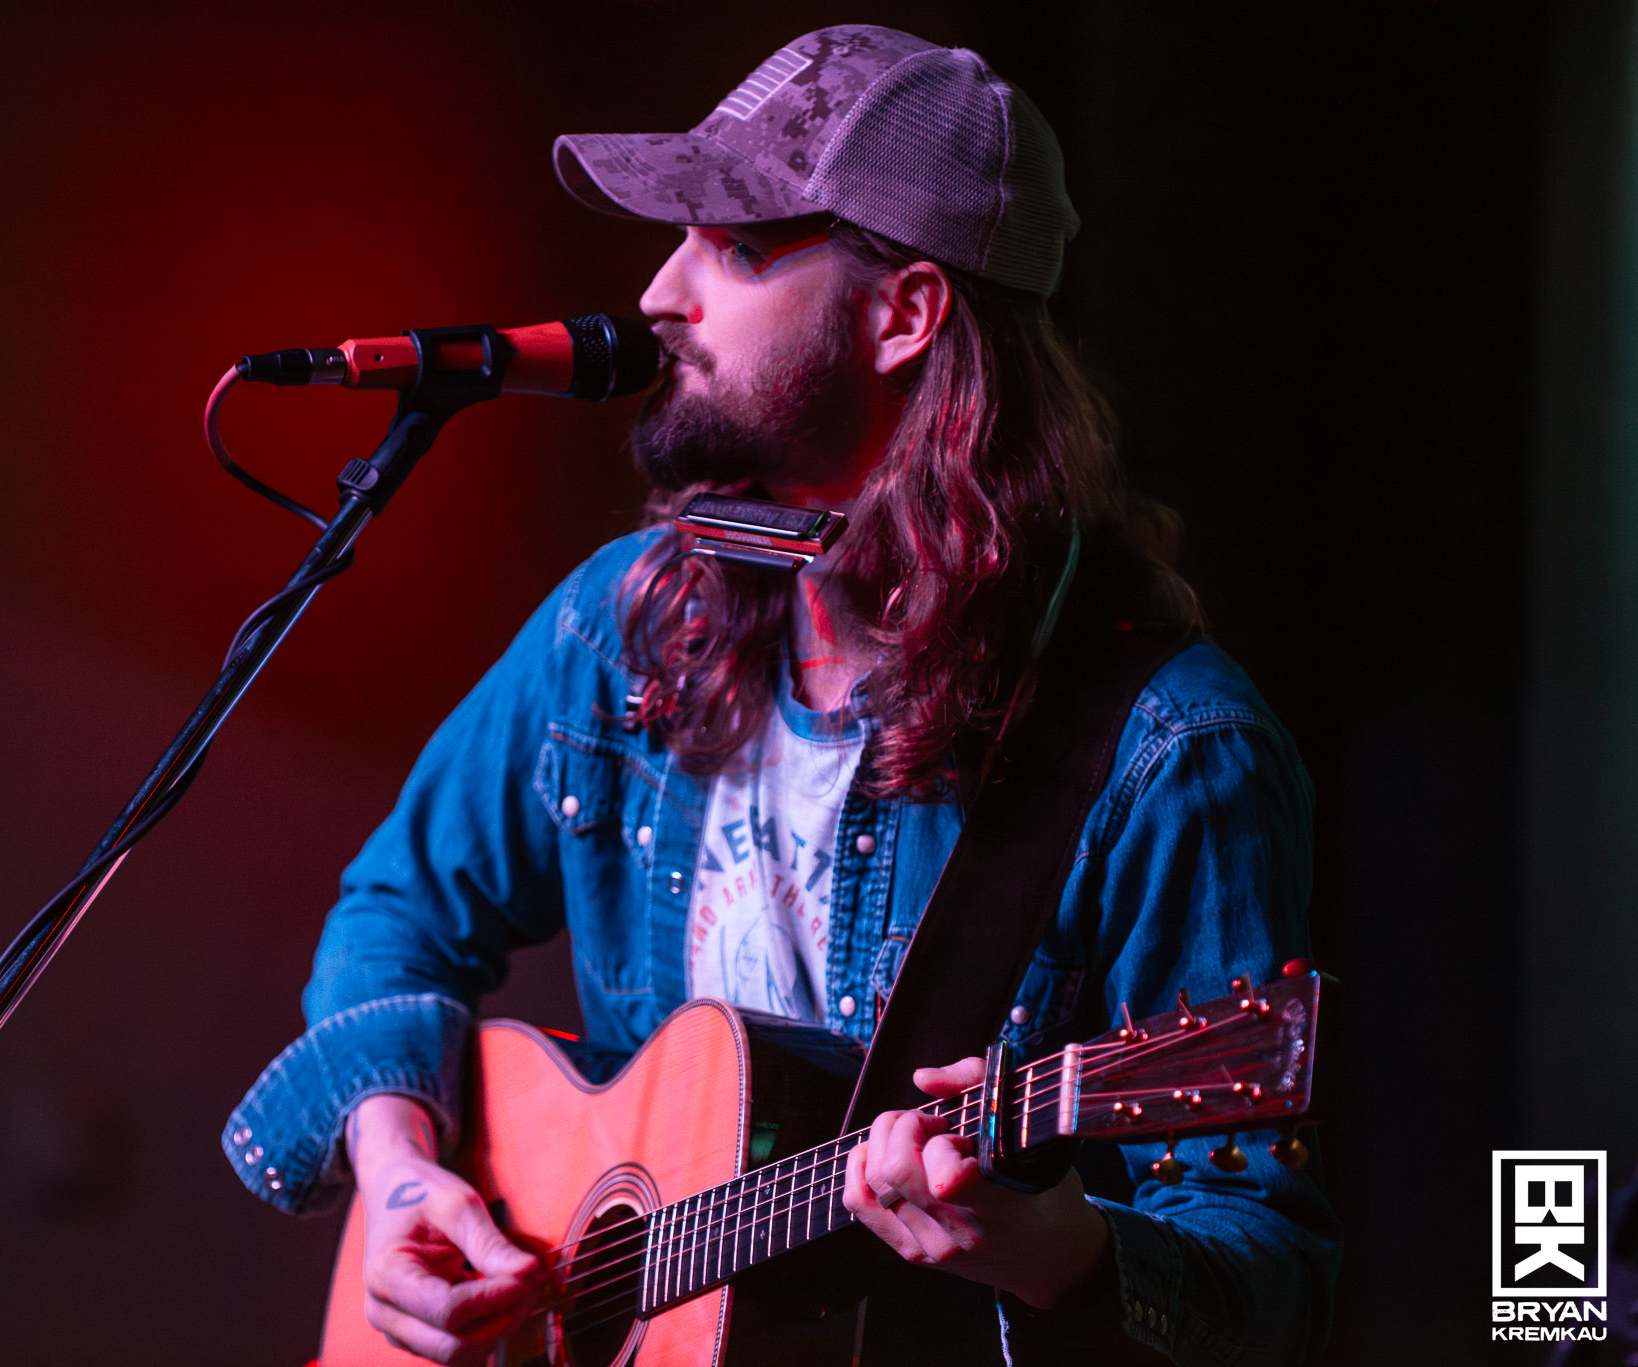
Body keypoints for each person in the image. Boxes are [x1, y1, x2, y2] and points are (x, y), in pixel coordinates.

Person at [223, 24, 1339, 1366]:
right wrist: (405, 1178)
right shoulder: (629, 619)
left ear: (906, 314)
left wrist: (1052, 1250)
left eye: (736, 247)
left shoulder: (1166, 752)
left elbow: (1263, 1290)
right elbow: (393, 911)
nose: (658, 292)